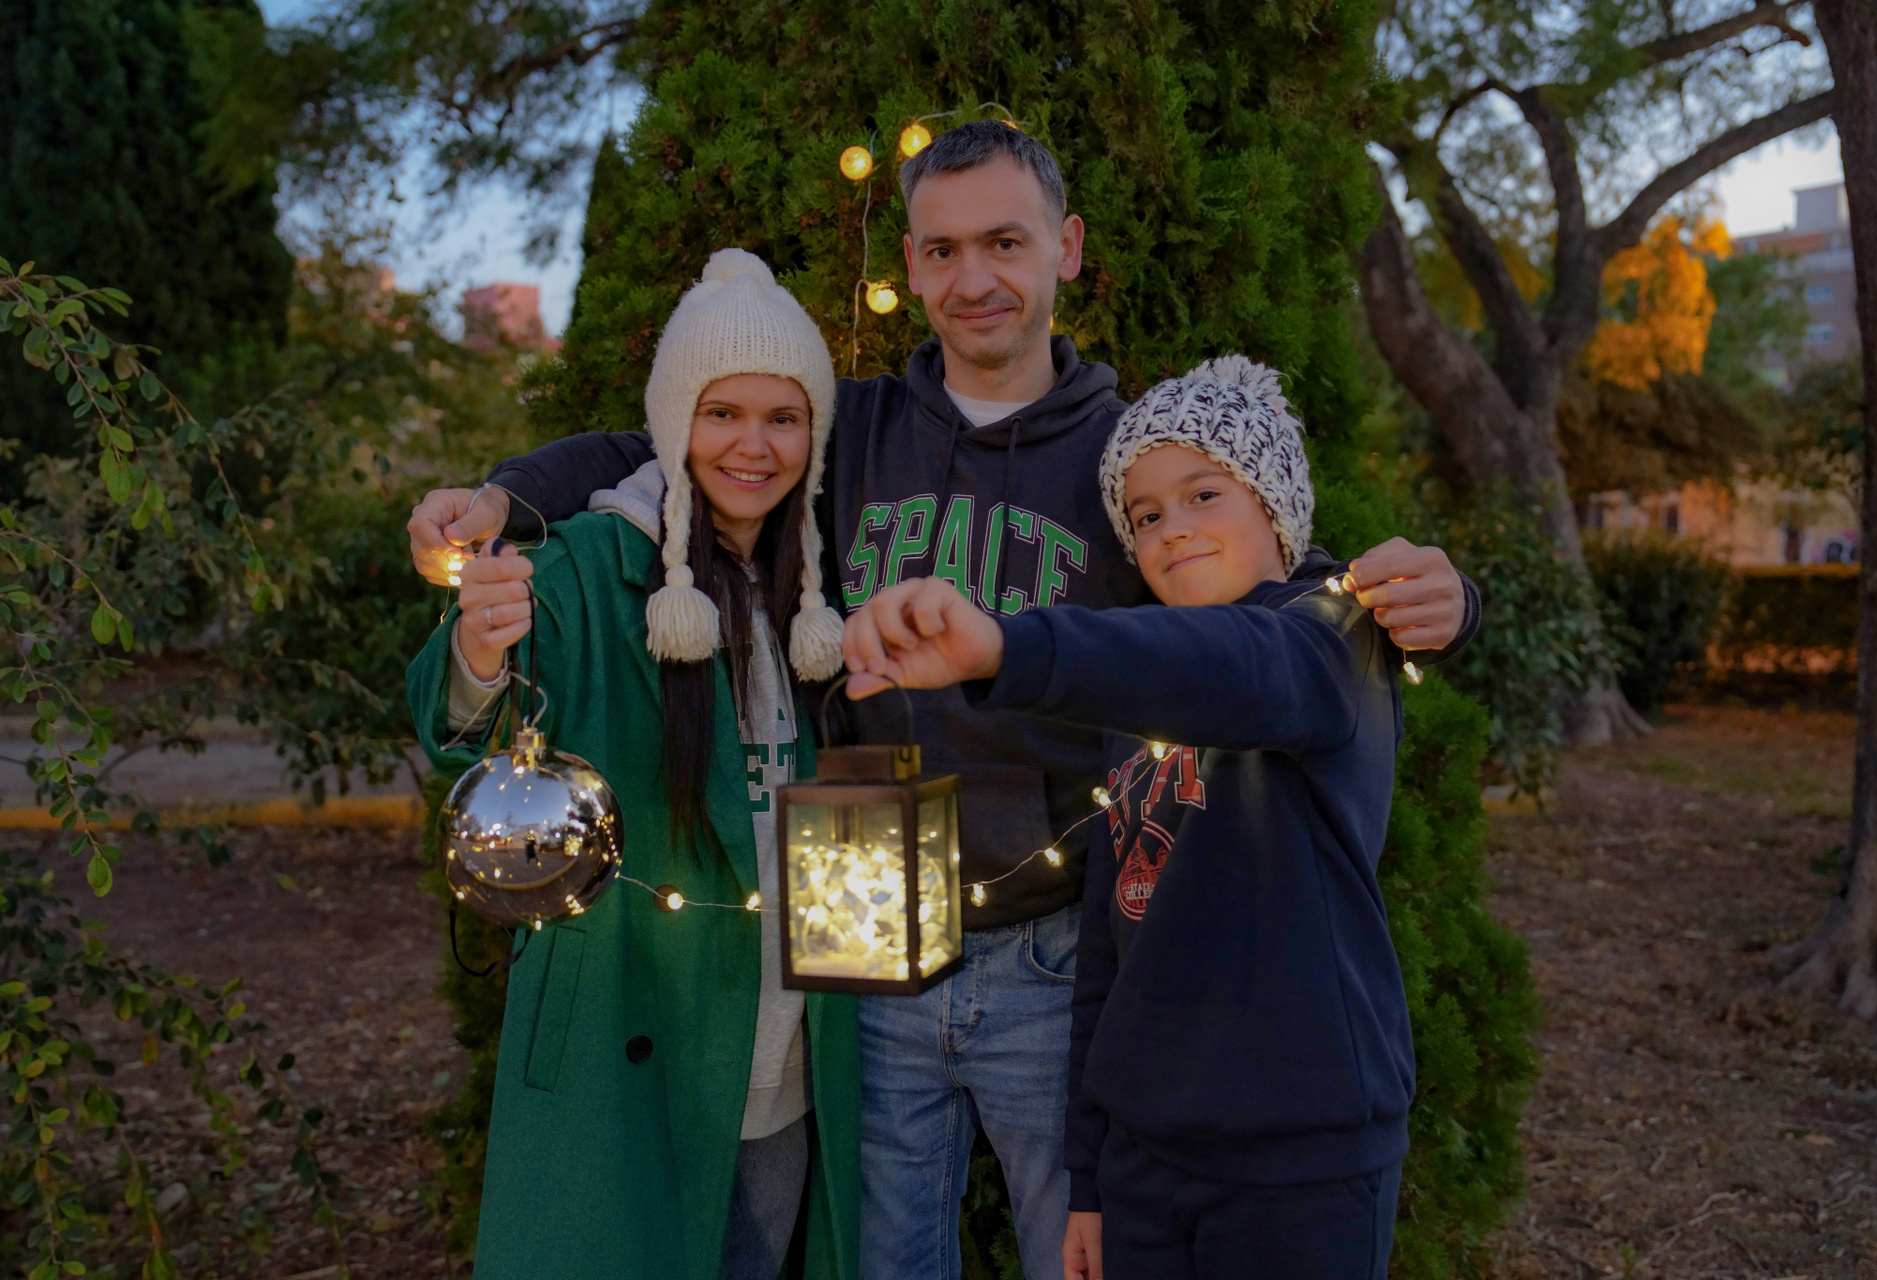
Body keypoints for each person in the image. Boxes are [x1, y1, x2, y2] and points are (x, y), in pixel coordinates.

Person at [405, 123, 1475, 1280]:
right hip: (869, 943)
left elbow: (1256, 597)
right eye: (944, 248)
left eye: (1006, 242)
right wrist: (504, 498)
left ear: (1066, 247)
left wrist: (1446, 599)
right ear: (911, 265)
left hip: (1057, 950)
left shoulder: (1125, 456)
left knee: (1083, 1248)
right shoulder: (850, 431)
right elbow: (666, 443)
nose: (975, 278)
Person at [842, 356, 1417, 1280]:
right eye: (1145, 516)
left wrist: (1002, 646)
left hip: (1300, 1156)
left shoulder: (1330, 641)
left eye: (1203, 495)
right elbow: (1108, 957)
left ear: (1274, 504)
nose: (1172, 528)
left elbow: (1238, 666)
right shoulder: (1133, 714)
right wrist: (1091, 1179)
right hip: (1147, 1161)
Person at [407, 249, 859, 1280]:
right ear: (674, 423)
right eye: (721, 412)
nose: (753, 445)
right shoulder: (586, 562)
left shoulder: (822, 588)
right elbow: (455, 719)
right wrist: (478, 646)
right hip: (635, 1038)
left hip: (786, 1059)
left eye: (784, 418)